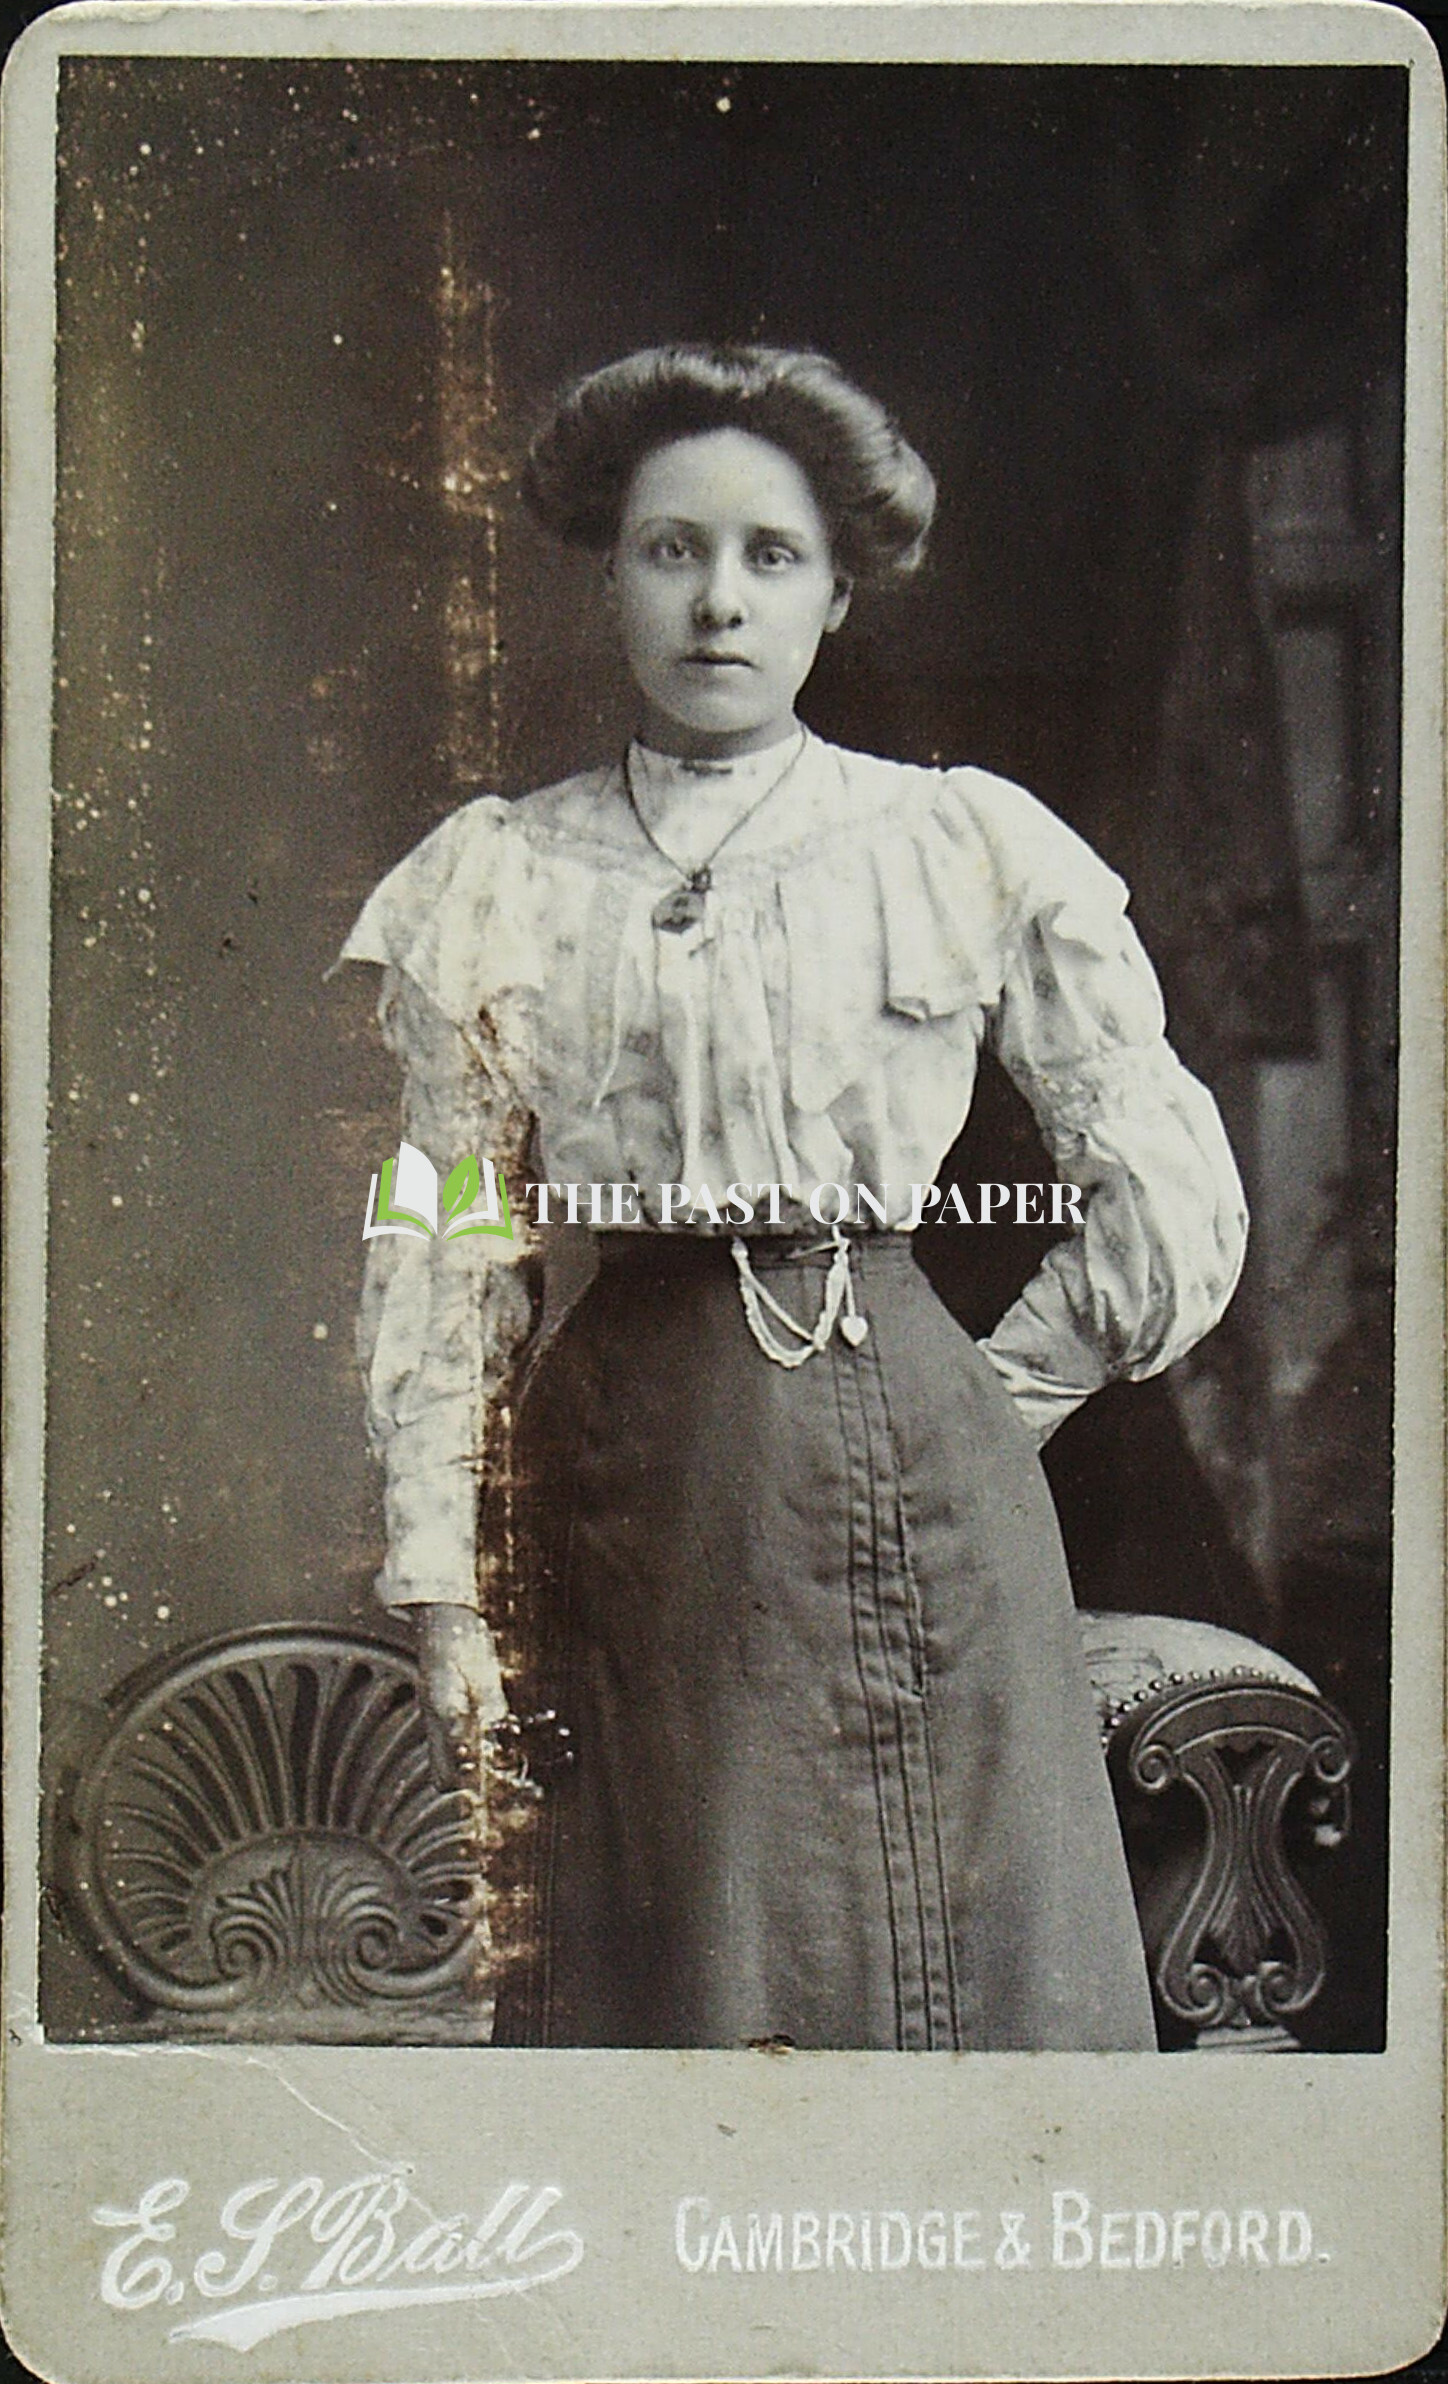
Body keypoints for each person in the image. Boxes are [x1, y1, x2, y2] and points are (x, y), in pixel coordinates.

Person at [338, 343, 1248, 2051]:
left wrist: (996, 1392)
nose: (717, 602)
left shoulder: (957, 843)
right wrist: (444, 1591)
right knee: (685, 1977)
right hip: (634, 1466)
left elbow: (1163, 1182)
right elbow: (447, 1259)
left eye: (770, 557)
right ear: (607, 575)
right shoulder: (504, 873)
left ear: (839, 594)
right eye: (671, 549)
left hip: (926, 1440)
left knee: (975, 1983)